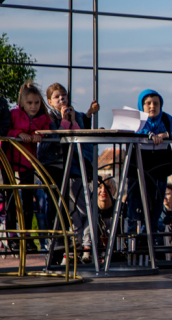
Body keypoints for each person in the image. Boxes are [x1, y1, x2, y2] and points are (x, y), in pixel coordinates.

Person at [38, 82, 99, 236]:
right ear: (50, 101)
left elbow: (81, 135)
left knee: (78, 204)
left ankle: (79, 237)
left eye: (64, 95)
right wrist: (64, 122)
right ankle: (61, 235)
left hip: (73, 164)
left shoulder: (74, 114)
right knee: (59, 202)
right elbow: (53, 138)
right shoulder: (49, 118)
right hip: (55, 164)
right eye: (57, 97)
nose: (61, 99)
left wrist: (80, 118)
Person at [129, 89, 172, 234]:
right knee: (135, 206)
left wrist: (167, 134)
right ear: (142, 105)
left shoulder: (166, 119)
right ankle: (133, 239)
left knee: (156, 207)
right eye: (148, 103)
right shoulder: (135, 120)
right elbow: (126, 130)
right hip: (138, 169)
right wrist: (149, 135)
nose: (152, 106)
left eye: (155, 103)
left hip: (160, 169)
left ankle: (151, 237)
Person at [3, 81, 50, 241]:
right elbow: (7, 130)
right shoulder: (14, 114)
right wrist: (18, 133)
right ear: (22, 103)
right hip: (11, 159)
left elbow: (47, 128)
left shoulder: (42, 118)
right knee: (11, 195)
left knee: (28, 196)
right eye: (29, 103)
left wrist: (40, 134)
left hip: (28, 161)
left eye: (36, 103)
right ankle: (11, 232)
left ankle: (27, 233)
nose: (33, 106)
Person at [82, 178, 117, 263]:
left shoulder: (119, 209)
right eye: (99, 187)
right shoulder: (90, 209)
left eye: (107, 187)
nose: (103, 190)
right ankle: (87, 253)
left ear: (114, 191)